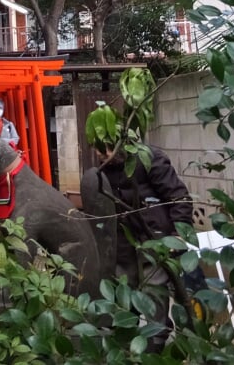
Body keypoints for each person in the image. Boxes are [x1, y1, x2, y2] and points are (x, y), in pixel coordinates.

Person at [95, 143, 193, 352]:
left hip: (154, 234)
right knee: (124, 283)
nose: (100, 154)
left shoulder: (149, 159)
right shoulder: (104, 169)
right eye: (97, 149)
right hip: (124, 236)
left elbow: (179, 197)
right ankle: (125, 337)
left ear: (121, 144)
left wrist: (178, 234)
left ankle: (155, 340)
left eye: (105, 149)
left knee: (154, 288)